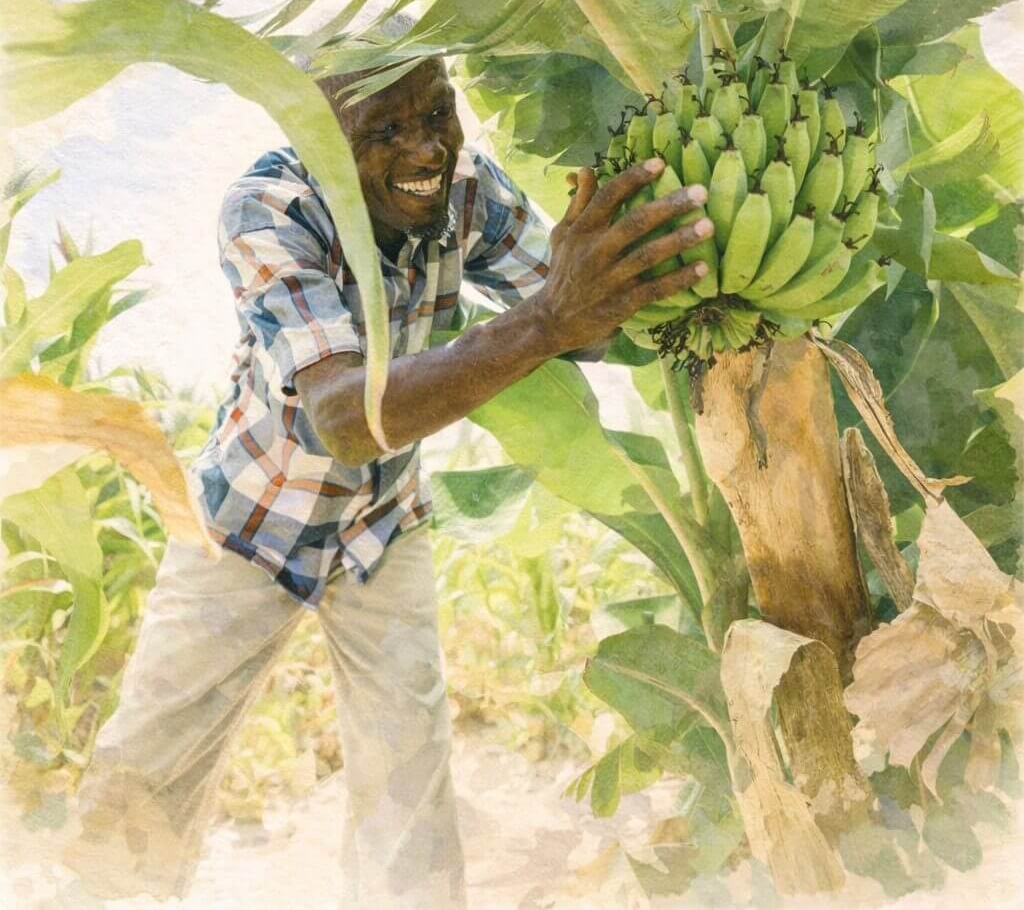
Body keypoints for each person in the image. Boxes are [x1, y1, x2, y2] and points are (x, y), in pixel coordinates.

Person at [59, 53, 712, 908]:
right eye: (386, 132)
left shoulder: (466, 186)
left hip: (381, 526)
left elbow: (577, 314)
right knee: (148, 766)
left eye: (437, 114)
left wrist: (618, 260)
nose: (425, 151)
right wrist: (553, 314)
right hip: (253, 522)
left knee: (408, 783)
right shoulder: (270, 210)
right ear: (320, 139)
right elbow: (343, 417)